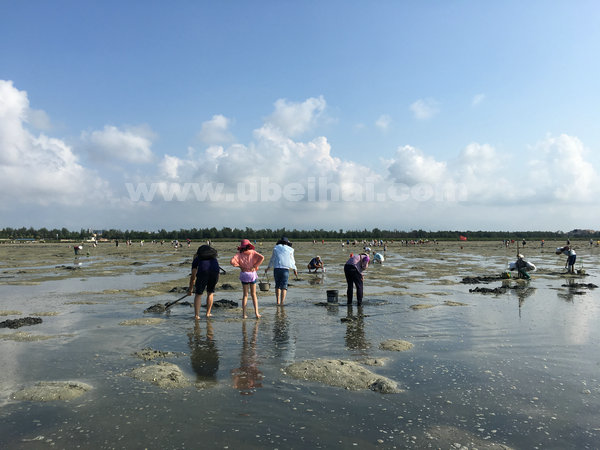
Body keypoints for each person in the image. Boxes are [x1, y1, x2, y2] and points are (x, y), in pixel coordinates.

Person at [231, 239, 264, 318]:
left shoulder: (239, 254)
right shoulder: (252, 252)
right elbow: (262, 257)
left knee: (245, 295)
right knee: (254, 295)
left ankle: (244, 314)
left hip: (244, 274)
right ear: (249, 245)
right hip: (252, 274)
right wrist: (255, 266)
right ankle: (256, 313)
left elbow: (232, 261)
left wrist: (239, 266)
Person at [187, 244, 220, 319]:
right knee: (210, 293)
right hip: (214, 274)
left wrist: (190, 289)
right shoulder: (214, 259)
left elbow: (193, 276)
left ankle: (196, 315)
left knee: (198, 294)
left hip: (203, 273)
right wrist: (215, 282)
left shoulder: (197, 259)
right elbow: (217, 273)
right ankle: (208, 313)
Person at [265, 237, 298, 305]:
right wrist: (295, 269)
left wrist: (268, 267)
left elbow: (272, 259)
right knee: (284, 286)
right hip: (285, 269)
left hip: (277, 268)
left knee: (277, 285)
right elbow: (292, 260)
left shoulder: (276, 248)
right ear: (287, 242)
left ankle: (277, 302)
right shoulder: (290, 249)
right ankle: (282, 302)